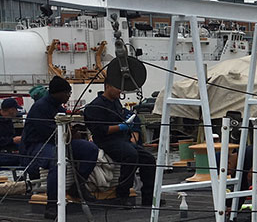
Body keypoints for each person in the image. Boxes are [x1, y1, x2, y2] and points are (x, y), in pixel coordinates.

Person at [21, 75, 99, 213]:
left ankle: (78, 186)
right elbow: (47, 133)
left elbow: (61, 133)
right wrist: (69, 134)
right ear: (58, 93)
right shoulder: (39, 108)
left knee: (90, 149)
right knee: (56, 159)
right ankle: (52, 204)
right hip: (38, 145)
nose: (69, 96)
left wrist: (73, 132)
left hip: (60, 142)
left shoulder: (60, 108)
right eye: (67, 93)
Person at [83, 80, 156, 206]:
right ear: (108, 86)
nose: (120, 91)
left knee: (148, 159)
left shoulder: (115, 102)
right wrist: (121, 127)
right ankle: (123, 194)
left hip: (122, 139)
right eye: (118, 88)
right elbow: (100, 130)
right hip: (107, 141)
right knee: (130, 155)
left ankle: (148, 197)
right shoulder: (95, 107)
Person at [0, 98, 23, 166]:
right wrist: (12, 140)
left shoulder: (8, 120)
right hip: (3, 153)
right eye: (16, 109)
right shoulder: (6, 120)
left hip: (7, 150)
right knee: (23, 159)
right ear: (11, 110)